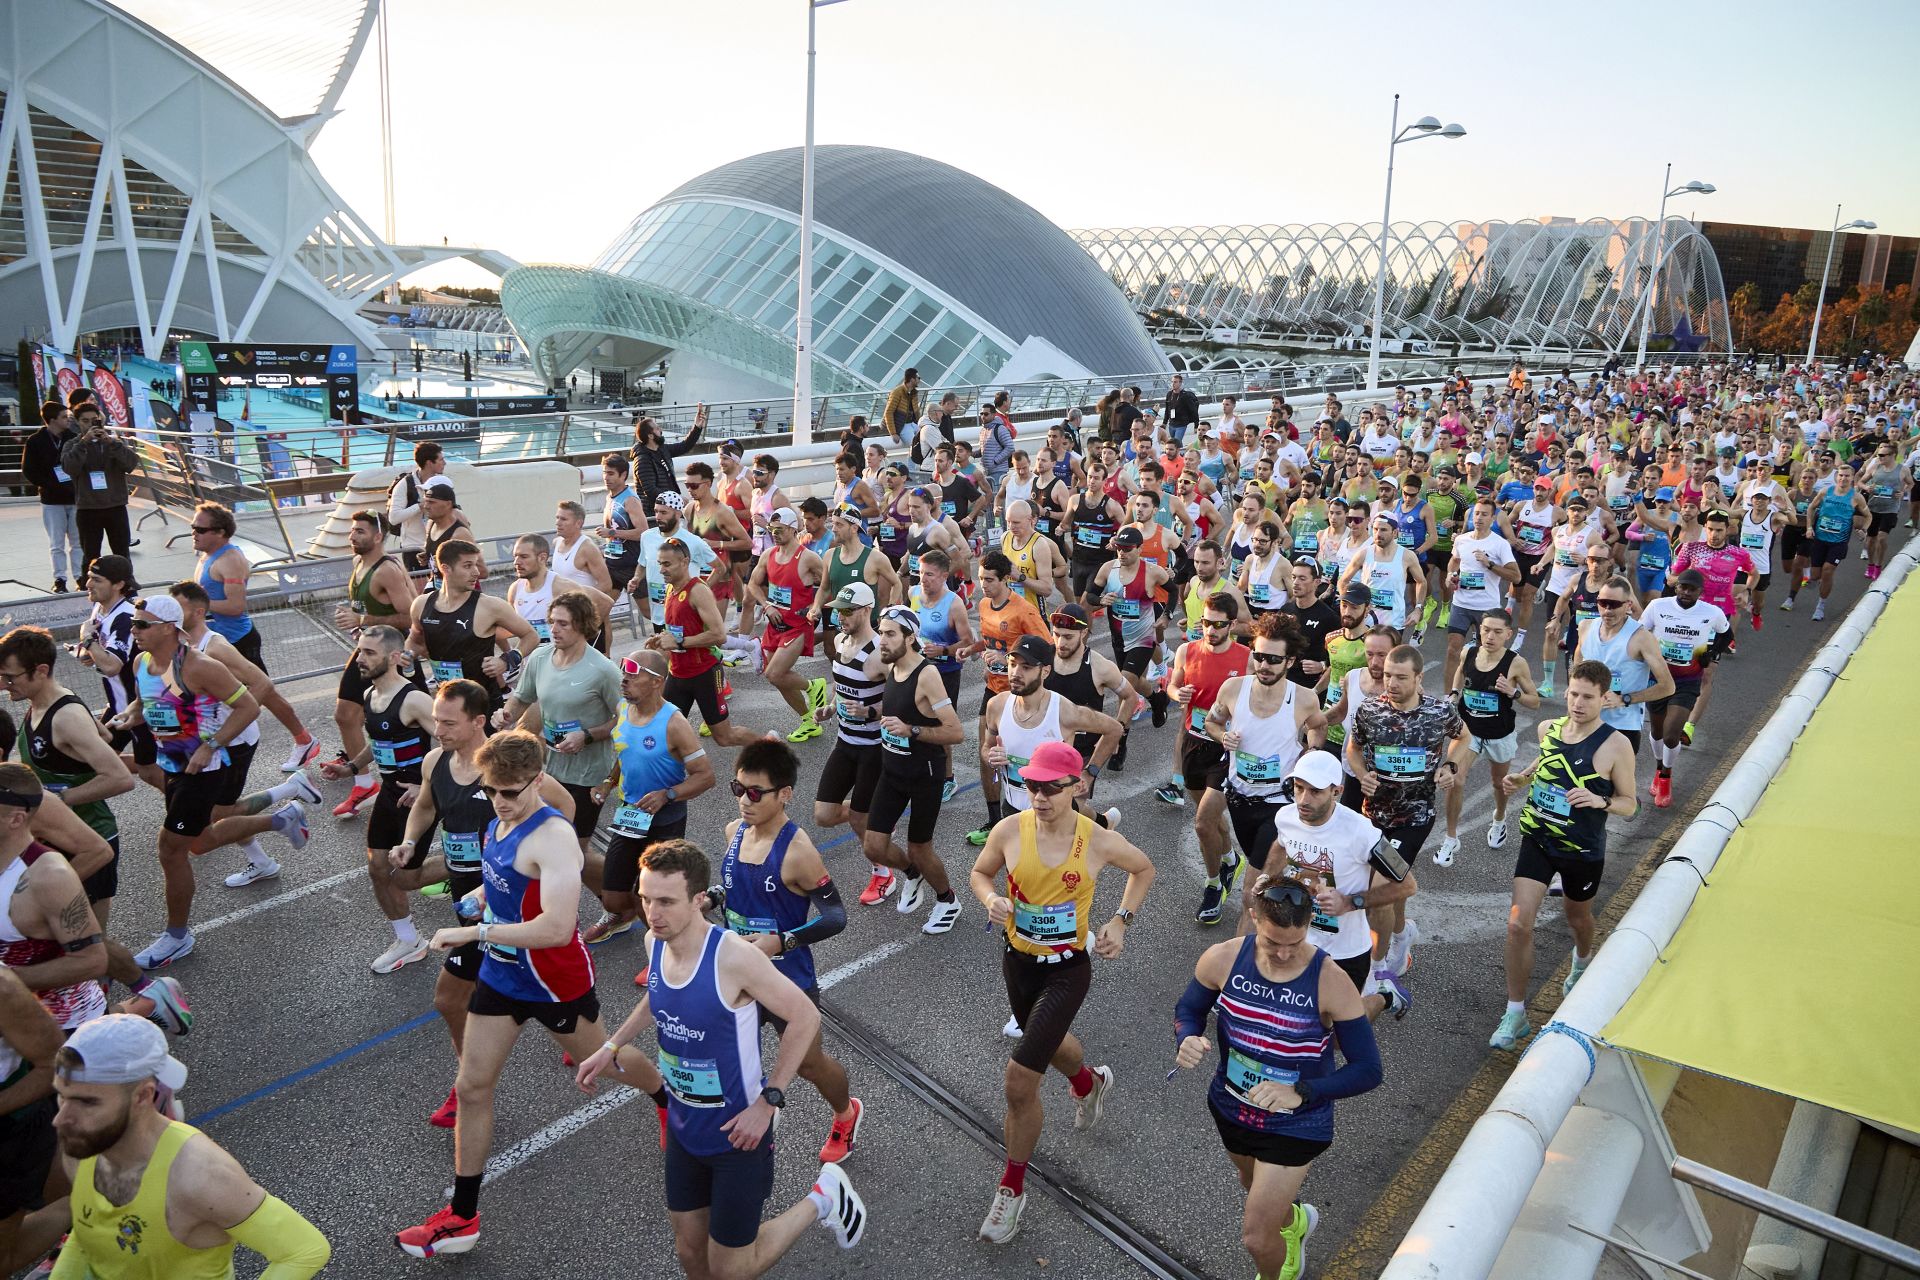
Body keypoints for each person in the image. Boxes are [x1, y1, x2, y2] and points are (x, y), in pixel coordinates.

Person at [396, 731, 671, 1259]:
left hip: (553, 981)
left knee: (603, 1063)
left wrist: (473, 933)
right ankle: (463, 1216)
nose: (501, 801)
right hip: (502, 977)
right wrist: (479, 898)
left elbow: (555, 928)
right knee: (473, 1087)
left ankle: (664, 1098)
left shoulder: (553, 838)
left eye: (512, 792)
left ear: (538, 779)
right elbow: (503, 879)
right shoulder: (498, 817)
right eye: (492, 791)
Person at [579, 840, 868, 1274]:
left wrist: (769, 1099)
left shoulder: (734, 957)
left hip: (739, 1134)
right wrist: (611, 1045)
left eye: (665, 901)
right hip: (684, 1126)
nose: (652, 913)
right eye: (644, 898)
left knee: (732, 1269)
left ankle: (824, 1198)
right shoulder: (656, 942)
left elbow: (804, 1016)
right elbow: (657, 994)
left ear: (698, 900)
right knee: (691, 1255)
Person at [969, 741, 1155, 1244]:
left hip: (1067, 968)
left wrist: (1120, 920)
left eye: (1052, 787)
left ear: (1078, 786)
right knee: (1047, 1044)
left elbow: (1144, 868)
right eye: (1032, 785)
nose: (1040, 796)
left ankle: (1011, 1189)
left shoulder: (1095, 840)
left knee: (1018, 1081)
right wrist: (990, 899)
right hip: (1018, 963)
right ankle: (1087, 1082)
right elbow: (981, 871)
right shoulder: (1010, 830)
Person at [1173, 871, 1383, 1280]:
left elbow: (1368, 1070)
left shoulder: (1330, 981)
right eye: (1273, 942)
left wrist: (1301, 1092)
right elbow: (1188, 1010)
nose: (1285, 954)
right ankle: (1296, 1222)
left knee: (1255, 1236)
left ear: (1308, 928)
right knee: (1249, 1182)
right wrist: (1186, 1037)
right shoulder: (1222, 958)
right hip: (1231, 1106)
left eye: (1296, 942)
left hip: (1298, 1124)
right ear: (1253, 917)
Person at [391, 681, 577, 1130]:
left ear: (478, 722)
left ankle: (468, 1082)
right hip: (468, 899)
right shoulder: (436, 762)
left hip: (509, 905)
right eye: (436, 720)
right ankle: (566, 1032)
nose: (438, 730)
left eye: (448, 722)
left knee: (450, 996)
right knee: (514, 989)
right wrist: (409, 841)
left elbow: (565, 806)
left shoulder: (505, 765)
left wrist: (541, 861)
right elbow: (424, 806)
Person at [50, 1014, 332, 1276]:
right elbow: (88, 1232)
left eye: (87, 1102)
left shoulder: (200, 1176)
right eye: (62, 1096)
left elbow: (304, 1251)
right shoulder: (82, 1146)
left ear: (142, 1097)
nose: (61, 1119)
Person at [716, 740, 864, 1162]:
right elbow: (736, 891)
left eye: (756, 792)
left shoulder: (798, 852)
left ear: (784, 794)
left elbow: (836, 916)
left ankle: (845, 1112)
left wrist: (781, 941)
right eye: (738, 789)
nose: (745, 801)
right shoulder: (733, 832)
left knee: (808, 1064)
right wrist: (709, 898)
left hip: (787, 980)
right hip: (739, 974)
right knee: (727, 1053)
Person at [1492, 660, 1637, 1050]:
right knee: (1518, 925)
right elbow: (1547, 765)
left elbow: (1630, 804)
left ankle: (1583, 958)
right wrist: (1521, 778)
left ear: (1604, 699)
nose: (1577, 703)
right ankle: (1516, 1012)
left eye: (1587, 697)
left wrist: (1599, 799)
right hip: (1538, 838)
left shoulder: (1615, 744)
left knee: (1578, 917)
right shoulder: (1548, 729)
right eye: (1573, 694)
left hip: (1582, 850)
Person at [1265, 751, 1414, 1019]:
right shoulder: (1285, 817)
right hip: (1299, 942)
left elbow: (1407, 885)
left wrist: (1350, 902)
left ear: (1337, 791)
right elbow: (1280, 845)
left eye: (1315, 792)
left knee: (1338, 1031)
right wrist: (1267, 880)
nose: (1303, 800)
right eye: (1299, 788)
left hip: (1346, 951)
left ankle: (1384, 997)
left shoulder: (1362, 832)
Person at [1345, 645, 1463, 981]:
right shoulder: (1369, 711)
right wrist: (1361, 773)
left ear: (1418, 678)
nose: (1391, 683)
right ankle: (1401, 934)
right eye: (1387, 676)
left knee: (1380, 891)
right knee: (1391, 885)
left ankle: (1376, 969)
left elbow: (1463, 736)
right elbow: (1354, 748)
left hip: (1414, 817)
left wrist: (1451, 765)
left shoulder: (1439, 712)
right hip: (1373, 816)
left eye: (1400, 677)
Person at [327, 626, 440, 973]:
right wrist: (351, 767)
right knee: (378, 867)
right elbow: (379, 746)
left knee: (406, 877)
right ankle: (408, 940)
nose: (360, 659)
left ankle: (479, 865)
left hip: (418, 796)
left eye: (369, 653)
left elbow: (459, 741)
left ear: (393, 658)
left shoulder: (414, 699)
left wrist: (426, 786)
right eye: (359, 651)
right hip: (390, 792)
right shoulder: (368, 697)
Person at [493, 591, 622, 870]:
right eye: (552, 622)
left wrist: (587, 735)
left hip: (588, 775)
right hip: (549, 771)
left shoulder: (603, 670)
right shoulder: (540, 658)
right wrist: (506, 714)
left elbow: (625, 719)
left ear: (583, 625)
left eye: (563, 623)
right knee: (548, 847)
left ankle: (620, 892)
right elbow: (522, 697)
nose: (553, 629)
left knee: (574, 853)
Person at [862, 607, 965, 933]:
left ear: (910, 637)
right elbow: (898, 706)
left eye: (891, 633)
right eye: (881, 632)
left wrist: (913, 731)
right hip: (892, 771)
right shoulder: (893, 667)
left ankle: (948, 900)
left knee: (920, 848)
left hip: (925, 774)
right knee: (873, 846)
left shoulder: (927, 675)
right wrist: (868, 711)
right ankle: (911, 873)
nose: (883, 640)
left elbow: (955, 732)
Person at [1205, 612, 1323, 879]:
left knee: (1254, 884)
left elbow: (1317, 725)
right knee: (1261, 869)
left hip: (1279, 803)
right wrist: (1222, 736)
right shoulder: (1232, 689)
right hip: (1239, 798)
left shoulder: (1304, 699)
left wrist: (1312, 751)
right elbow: (1213, 722)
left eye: (1273, 659)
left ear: (1290, 661)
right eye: (1259, 657)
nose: (1264, 665)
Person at [975, 636, 1124, 849]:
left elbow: (1114, 729)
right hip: (1012, 809)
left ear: (1045, 671)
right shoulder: (997, 705)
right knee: (1017, 877)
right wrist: (990, 756)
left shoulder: (1063, 711)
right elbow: (987, 748)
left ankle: (1101, 826)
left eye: (1026, 667)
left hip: (1054, 815)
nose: (1016, 673)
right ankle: (1103, 822)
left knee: (1050, 877)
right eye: (1012, 664)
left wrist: (1089, 773)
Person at [810, 584, 897, 905]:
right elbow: (842, 682)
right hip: (845, 742)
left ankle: (882, 873)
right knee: (823, 814)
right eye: (837, 609)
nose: (839, 616)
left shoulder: (879, 652)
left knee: (860, 819)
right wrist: (831, 707)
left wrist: (871, 711)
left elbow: (902, 699)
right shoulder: (839, 640)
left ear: (866, 610)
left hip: (874, 748)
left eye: (847, 610)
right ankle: (874, 815)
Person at [329, 512, 418, 818]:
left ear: (378, 536)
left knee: (416, 718)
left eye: (360, 531)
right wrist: (357, 625)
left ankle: (428, 780)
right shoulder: (358, 564)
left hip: (394, 653)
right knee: (345, 714)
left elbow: (409, 616)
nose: (353, 536)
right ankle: (365, 782)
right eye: (352, 531)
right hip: (368, 649)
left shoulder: (387, 570)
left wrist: (363, 620)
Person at [1170, 594, 1252, 922]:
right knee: (1208, 814)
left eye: (1219, 624)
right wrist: (1178, 693)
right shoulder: (1186, 651)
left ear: (1232, 625)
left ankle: (1213, 884)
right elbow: (1174, 686)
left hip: (1226, 749)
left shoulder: (1246, 657)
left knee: (1204, 824)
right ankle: (1230, 858)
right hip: (1194, 743)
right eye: (1206, 623)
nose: (1211, 630)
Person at [648, 539, 767, 747]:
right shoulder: (670, 589)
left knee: (724, 737)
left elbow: (719, 635)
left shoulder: (698, 591)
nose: (662, 569)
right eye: (660, 563)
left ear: (684, 562)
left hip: (704, 673)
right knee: (667, 733)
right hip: (677, 673)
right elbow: (678, 629)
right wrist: (661, 639)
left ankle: (770, 746)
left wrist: (679, 642)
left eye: (667, 564)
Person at [1442, 610, 1540, 859]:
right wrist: (1454, 692)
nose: (1490, 636)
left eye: (1497, 632)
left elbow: (1535, 701)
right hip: (1468, 731)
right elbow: (1461, 671)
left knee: (1499, 783)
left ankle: (1499, 818)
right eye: (1485, 629)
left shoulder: (1515, 663)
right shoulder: (1469, 652)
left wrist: (1513, 692)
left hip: (1499, 733)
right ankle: (1450, 838)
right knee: (1456, 779)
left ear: (1508, 634)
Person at [407, 539, 540, 712]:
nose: (476, 572)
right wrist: (408, 654)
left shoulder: (490, 606)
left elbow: (531, 635)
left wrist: (507, 660)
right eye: (468, 566)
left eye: (476, 565)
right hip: (446, 701)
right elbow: (415, 640)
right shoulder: (421, 605)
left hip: (482, 703)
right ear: (446, 568)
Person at [1640, 570, 1731, 809]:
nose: (1687, 592)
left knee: (1671, 734)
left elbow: (1726, 635)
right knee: (1657, 732)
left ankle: (1667, 777)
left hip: (1687, 681)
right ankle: (1658, 769)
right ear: (1677, 587)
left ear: (1701, 592)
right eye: (1683, 587)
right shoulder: (1657, 606)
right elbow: (1639, 634)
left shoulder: (1712, 613)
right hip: (1658, 678)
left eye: (1692, 589)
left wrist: (1711, 655)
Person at [740, 508, 829, 741]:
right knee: (781, 680)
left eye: (779, 530)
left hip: (798, 626)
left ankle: (813, 686)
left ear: (792, 529)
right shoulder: (768, 555)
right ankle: (809, 721)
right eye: (772, 529)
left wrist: (815, 606)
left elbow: (828, 584)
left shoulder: (807, 558)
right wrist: (766, 605)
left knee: (774, 674)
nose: (775, 534)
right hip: (775, 625)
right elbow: (752, 584)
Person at [1574, 576, 1675, 762]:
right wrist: (1573, 692)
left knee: (1616, 789)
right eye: (1602, 603)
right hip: (1585, 721)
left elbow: (1668, 686)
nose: (1607, 610)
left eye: (1614, 604)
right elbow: (1578, 661)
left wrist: (1624, 699)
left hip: (1622, 727)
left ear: (1628, 605)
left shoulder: (1641, 637)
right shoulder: (1586, 627)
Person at [1044, 603, 1139, 773]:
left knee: (1073, 800)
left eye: (1068, 637)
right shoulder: (1043, 658)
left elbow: (1130, 697)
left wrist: (1118, 732)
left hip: (1081, 756)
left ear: (1083, 633)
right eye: (1056, 635)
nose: (1060, 643)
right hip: (1043, 748)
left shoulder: (1100, 666)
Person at [59, 402, 138, 573]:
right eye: (85, 421)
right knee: (90, 555)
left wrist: (110, 442)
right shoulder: (72, 445)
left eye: (94, 420)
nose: (90, 425)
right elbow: (69, 467)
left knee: (122, 553)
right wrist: (84, 442)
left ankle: (127, 587)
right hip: (89, 508)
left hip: (116, 506)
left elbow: (131, 463)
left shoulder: (112, 443)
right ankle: (88, 587)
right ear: (78, 422)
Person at [1798, 462, 1868, 621]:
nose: (1843, 478)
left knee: (1828, 570)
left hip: (1839, 542)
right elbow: (1811, 508)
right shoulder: (1825, 492)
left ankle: (1820, 605)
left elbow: (1868, 516)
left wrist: (1864, 529)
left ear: (1852, 478)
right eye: (1841, 475)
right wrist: (1809, 527)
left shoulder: (1856, 497)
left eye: (1847, 476)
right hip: (1820, 539)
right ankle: (1818, 581)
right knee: (1815, 575)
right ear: (1837, 477)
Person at [22, 402, 80, 593]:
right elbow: (29, 469)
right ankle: (60, 579)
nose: (68, 419)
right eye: (64, 416)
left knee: (77, 541)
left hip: (75, 498)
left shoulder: (74, 438)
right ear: (53, 419)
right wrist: (48, 484)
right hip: (51, 499)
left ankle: (80, 576)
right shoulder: (35, 441)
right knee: (56, 543)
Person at [387, 442, 448, 574]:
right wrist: (419, 506)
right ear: (429, 463)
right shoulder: (405, 484)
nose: (445, 463)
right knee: (420, 592)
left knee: (441, 591)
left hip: (437, 546)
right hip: (413, 548)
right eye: (441, 459)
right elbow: (393, 518)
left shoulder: (441, 482)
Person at [550, 499, 617, 599]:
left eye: (563, 519)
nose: (558, 523)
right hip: (561, 609)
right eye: (557, 518)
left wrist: (579, 602)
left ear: (578, 523)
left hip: (582, 610)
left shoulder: (587, 548)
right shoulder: (557, 542)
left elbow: (606, 584)